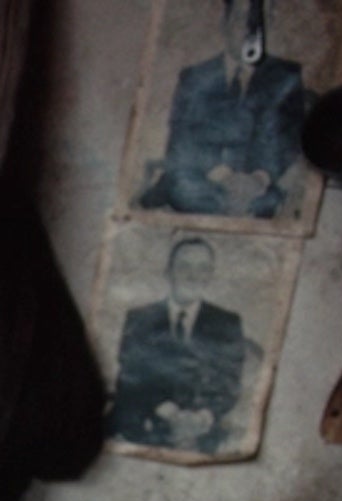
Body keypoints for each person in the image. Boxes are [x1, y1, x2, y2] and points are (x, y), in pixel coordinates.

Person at [138, 0, 309, 220]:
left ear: (271, 26)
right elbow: (180, 142)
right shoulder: (195, 77)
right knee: (184, 189)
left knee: (269, 203)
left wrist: (259, 178)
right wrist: (222, 174)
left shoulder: (286, 77)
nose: (249, 31)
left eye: (259, 23)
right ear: (225, 23)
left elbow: (289, 140)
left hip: (257, 187)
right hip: (204, 180)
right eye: (240, 20)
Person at [110, 235, 249, 453]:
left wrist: (204, 416)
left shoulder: (227, 323)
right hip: (148, 422)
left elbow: (230, 382)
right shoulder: (140, 319)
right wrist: (166, 410)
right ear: (168, 271)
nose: (193, 276)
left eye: (202, 268)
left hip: (202, 429)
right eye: (184, 267)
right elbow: (130, 375)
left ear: (210, 275)